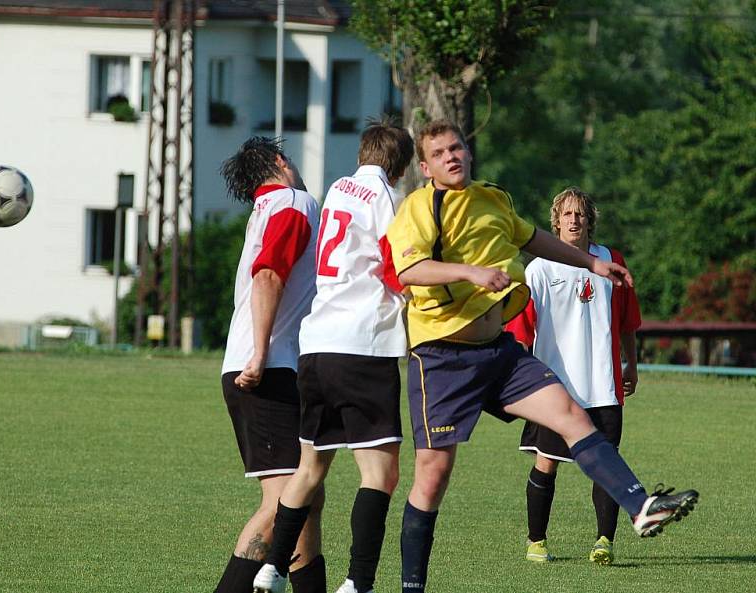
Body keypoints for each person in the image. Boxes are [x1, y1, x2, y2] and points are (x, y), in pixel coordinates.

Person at [386, 120, 698, 593]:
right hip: (444, 358)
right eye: (439, 152)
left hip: (499, 354)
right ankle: (412, 588)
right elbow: (410, 269)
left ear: (468, 153)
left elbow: (533, 239)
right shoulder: (420, 207)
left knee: (573, 415)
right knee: (433, 477)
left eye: (457, 147)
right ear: (425, 165)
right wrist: (470, 273)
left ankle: (640, 508)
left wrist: (594, 262)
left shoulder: (493, 197)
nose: (452, 156)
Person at [252, 119, 415, 593]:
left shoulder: (337, 191)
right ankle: (358, 582)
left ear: (362, 153)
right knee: (380, 472)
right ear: (401, 167)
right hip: (363, 344)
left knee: (310, 468)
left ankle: (274, 567)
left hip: (316, 345)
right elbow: (396, 262)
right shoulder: (389, 199)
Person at [213, 137, 326, 593]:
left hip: (277, 365)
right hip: (266, 367)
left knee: (307, 500)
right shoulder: (293, 201)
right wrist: (260, 354)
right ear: (280, 163)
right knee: (283, 503)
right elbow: (269, 275)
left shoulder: (265, 210)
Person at [506, 188, 641, 565]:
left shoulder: (611, 261)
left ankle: (604, 542)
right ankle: (537, 541)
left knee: (607, 463)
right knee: (545, 462)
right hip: (554, 389)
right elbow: (520, 333)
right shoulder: (538, 269)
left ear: (590, 219)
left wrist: (631, 363)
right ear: (556, 220)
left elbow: (628, 322)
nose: (574, 220)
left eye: (580, 213)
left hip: (603, 385)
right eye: (566, 214)